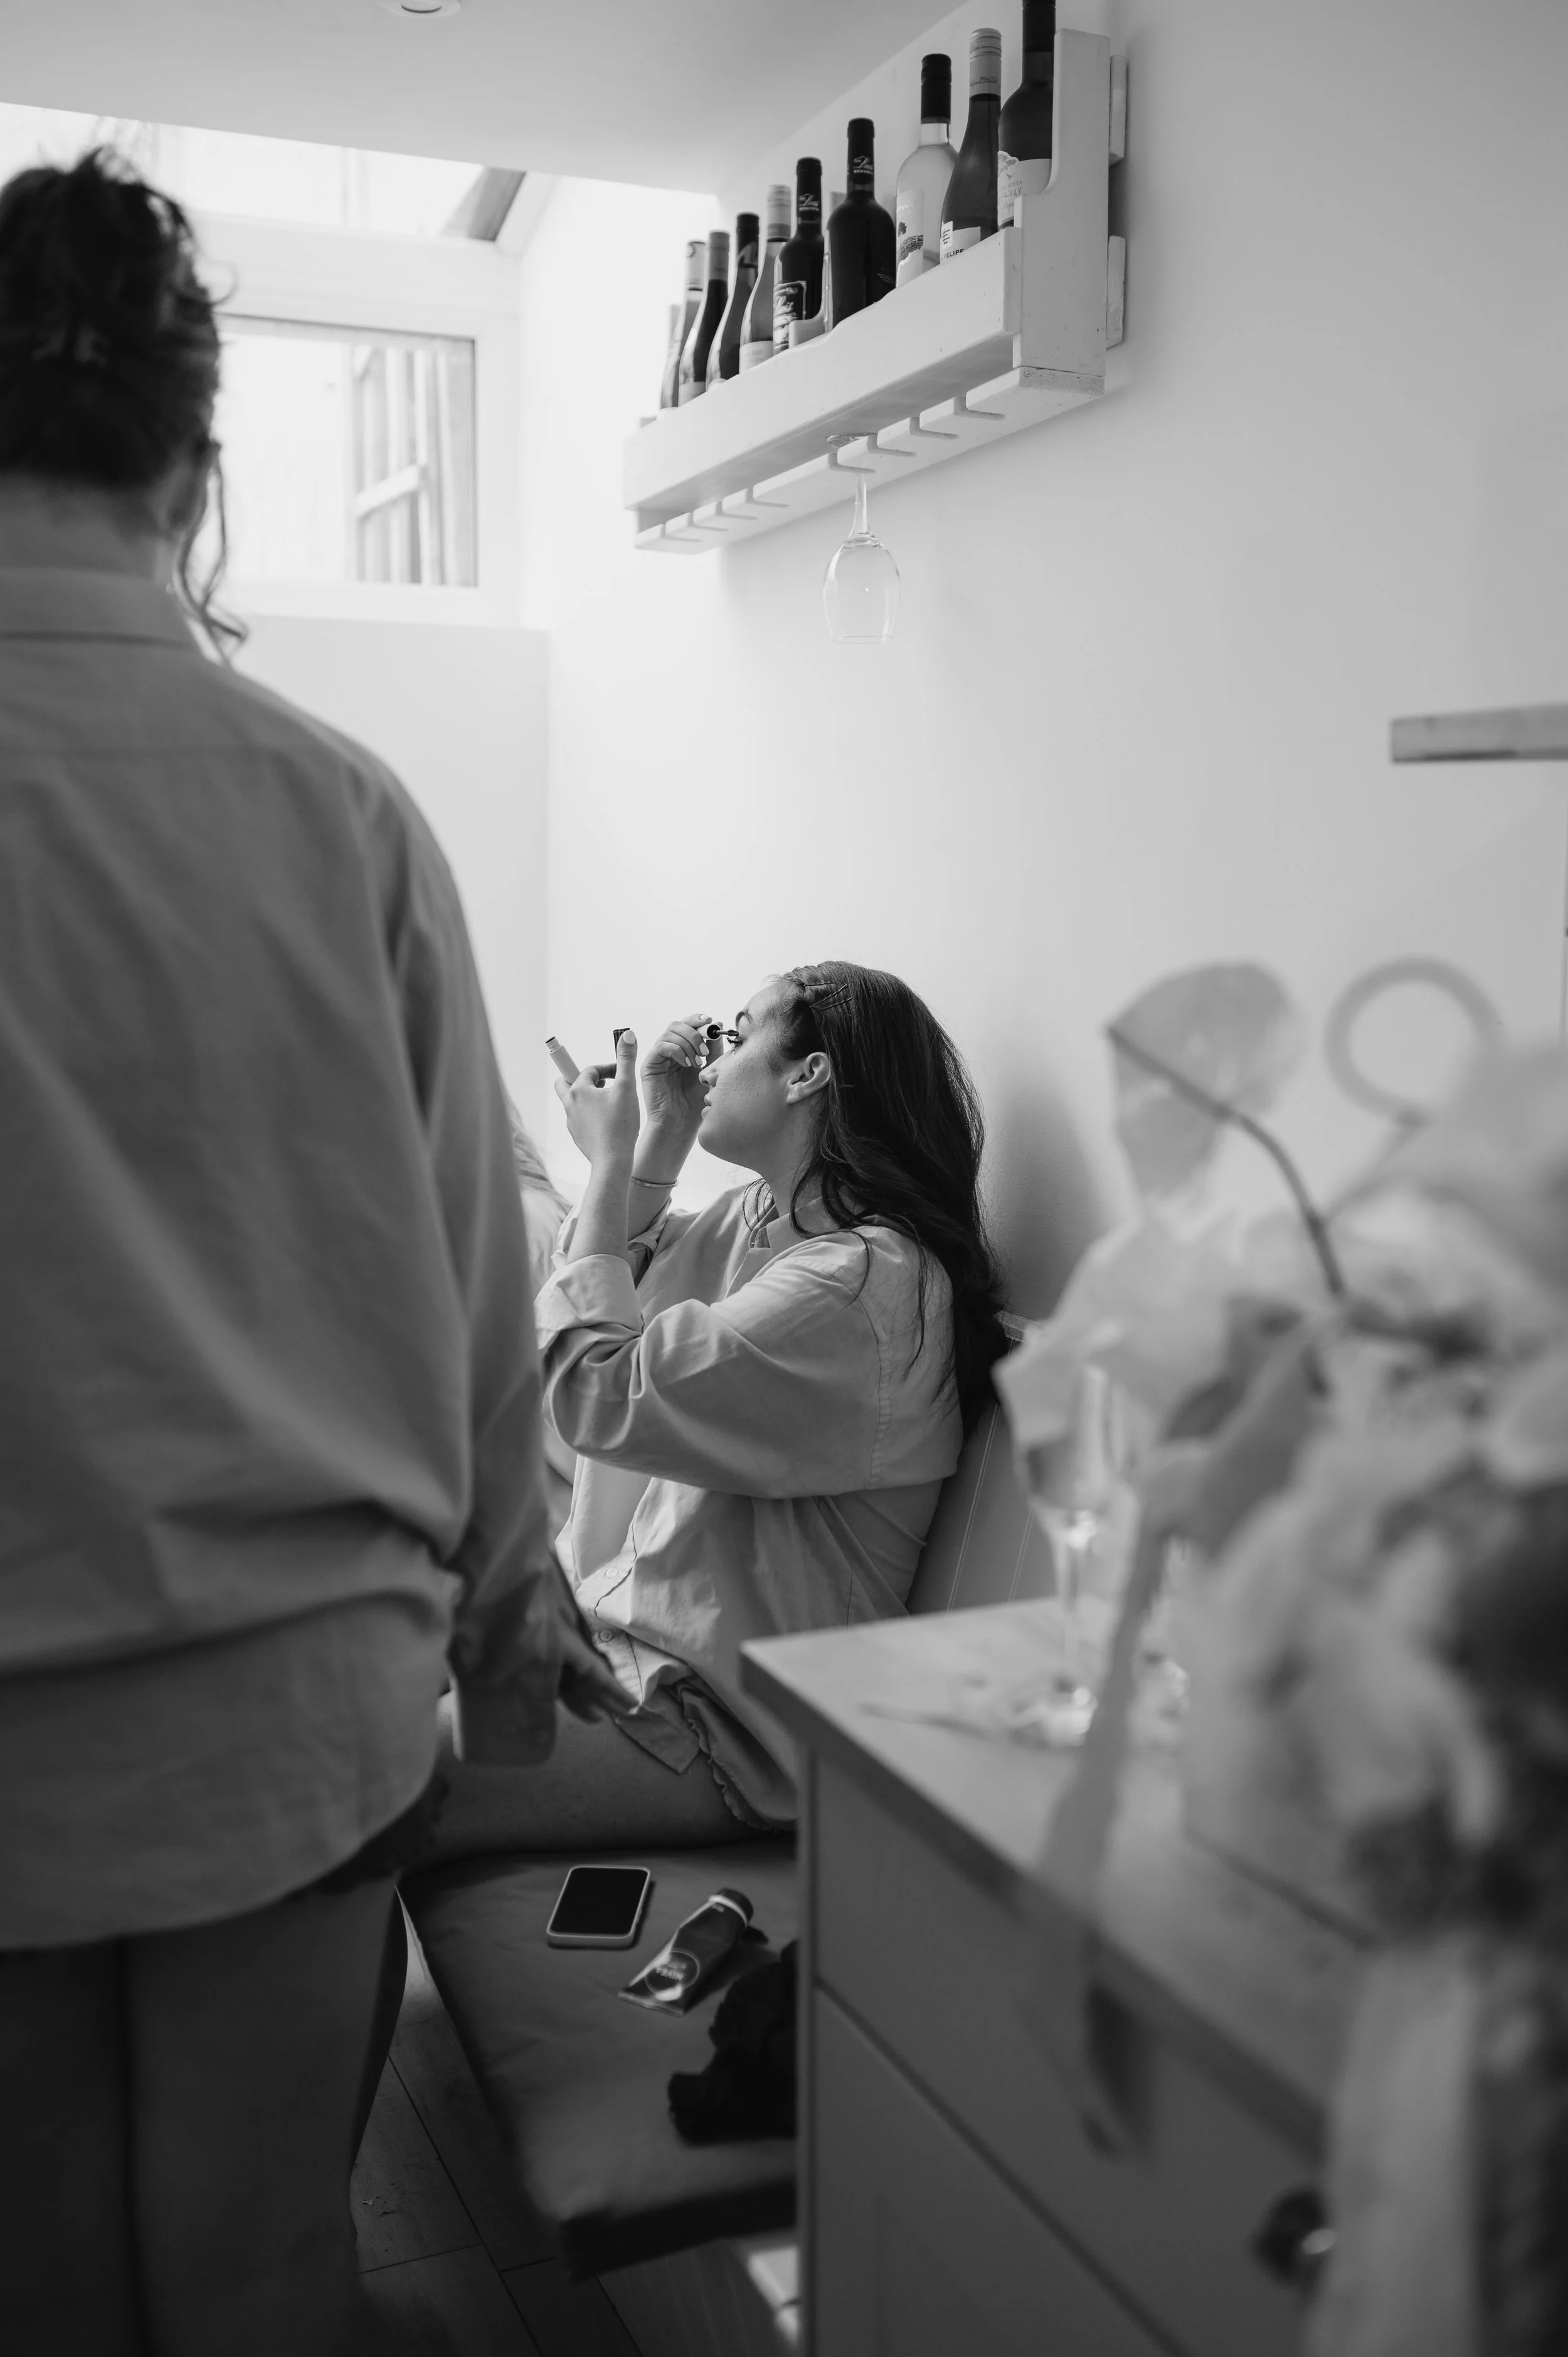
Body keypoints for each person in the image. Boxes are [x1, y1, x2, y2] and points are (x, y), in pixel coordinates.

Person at [0, 151, 622, 2357]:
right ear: (199, 458)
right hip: (293, 1708)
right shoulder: (341, 810)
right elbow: (480, 1286)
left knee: (43, 2283)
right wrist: (512, 1634)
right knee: (268, 2264)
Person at [433, 962, 1007, 1856]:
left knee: (359, 1778)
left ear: (807, 1075)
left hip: (722, 1720)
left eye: (739, 1036)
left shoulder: (856, 1287)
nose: (713, 1059)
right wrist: (660, 1133)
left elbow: (594, 1389)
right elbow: (622, 1286)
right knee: (345, 1660)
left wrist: (612, 1158)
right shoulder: (764, 1222)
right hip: (616, 1640)